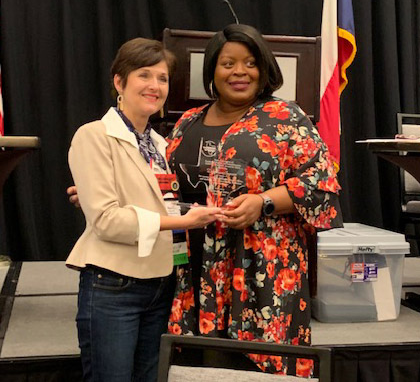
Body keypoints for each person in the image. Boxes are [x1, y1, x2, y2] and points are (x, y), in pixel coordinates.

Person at [165, 24, 342, 376]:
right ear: (212, 70)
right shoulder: (186, 122)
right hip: (191, 265)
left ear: (264, 68)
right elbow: (163, 182)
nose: (239, 72)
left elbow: (322, 184)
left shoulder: (285, 118)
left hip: (260, 269)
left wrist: (262, 202)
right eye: (227, 63)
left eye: (250, 63)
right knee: (193, 368)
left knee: (253, 368)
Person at [66, 37, 221, 382]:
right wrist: (181, 220)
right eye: (144, 75)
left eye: (163, 78)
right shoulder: (94, 136)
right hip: (113, 286)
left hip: (161, 284)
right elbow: (107, 222)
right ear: (119, 82)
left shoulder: (160, 144)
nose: (155, 86)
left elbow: (153, 203)